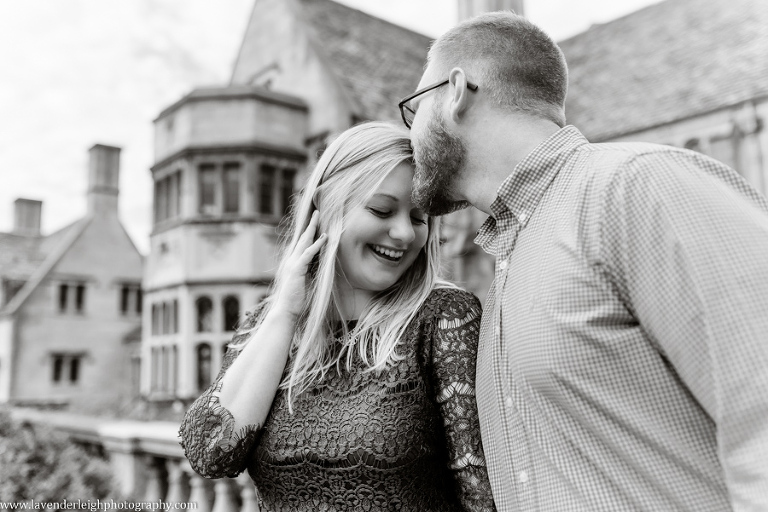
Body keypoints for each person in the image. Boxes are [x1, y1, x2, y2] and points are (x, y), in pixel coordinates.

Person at [400, 11, 768, 512]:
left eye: (414, 108)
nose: (411, 133)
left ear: (457, 91)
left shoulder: (638, 187)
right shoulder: (510, 256)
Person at [179, 121, 497, 512]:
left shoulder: (444, 320)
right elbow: (211, 451)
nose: (404, 234)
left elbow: (478, 488)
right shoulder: (267, 326)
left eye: (418, 218)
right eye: (382, 209)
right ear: (326, 211)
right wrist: (286, 312)